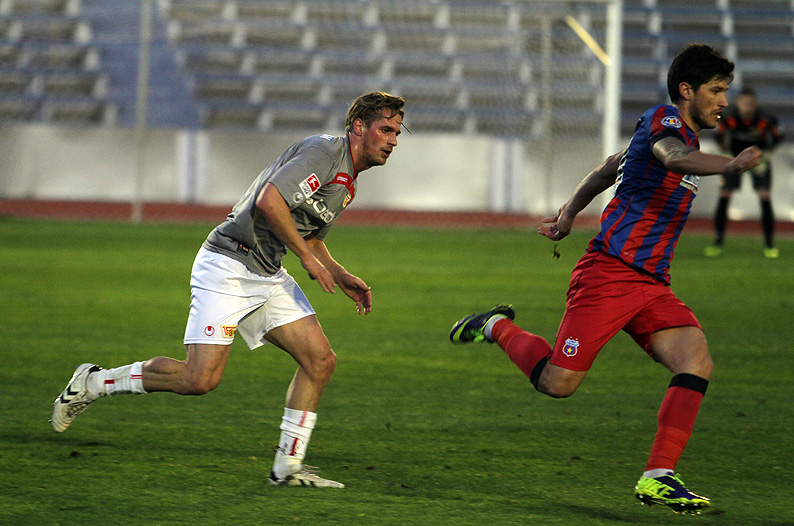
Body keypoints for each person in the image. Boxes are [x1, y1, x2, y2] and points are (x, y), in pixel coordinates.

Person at [450, 44, 761, 514]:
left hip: (651, 284)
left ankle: (659, 477)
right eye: (716, 90)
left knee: (695, 360)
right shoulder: (664, 123)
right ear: (686, 90)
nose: (723, 100)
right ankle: (496, 326)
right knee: (557, 383)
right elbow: (672, 157)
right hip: (609, 275)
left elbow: (606, 169)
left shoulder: (672, 138)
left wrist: (568, 214)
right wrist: (731, 164)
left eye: (726, 91)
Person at [52, 91, 406, 488]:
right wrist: (307, 261)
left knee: (320, 361)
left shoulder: (348, 183)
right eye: (386, 130)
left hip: (266, 271)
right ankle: (93, 382)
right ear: (359, 127)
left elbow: (311, 236)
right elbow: (269, 200)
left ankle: (286, 469)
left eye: (396, 133)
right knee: (198, 380)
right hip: (230, 264)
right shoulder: (324, 154)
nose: (393, 140)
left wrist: (338, 273)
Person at [705, 86, 783, 258]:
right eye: (744, 103)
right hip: (734, 158)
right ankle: (718, 242)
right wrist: (727, 157)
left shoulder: (766, 118)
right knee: (725, 193)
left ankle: (769, 245)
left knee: (764, 195)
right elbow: (719, 138)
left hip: (758, 158)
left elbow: (776, 139)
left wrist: (765, 158)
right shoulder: (727, 117)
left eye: (751, 104)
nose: (748, 107)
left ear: (756, 104)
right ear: (738, 103)